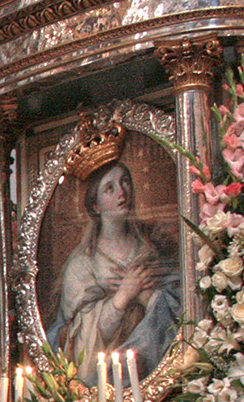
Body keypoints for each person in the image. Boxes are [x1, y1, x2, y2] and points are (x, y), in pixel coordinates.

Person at [48, 158, 181, 382]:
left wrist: (147, 296)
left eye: (125, 182)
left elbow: (182, 304)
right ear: (95, 206)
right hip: (110, 378)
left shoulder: (156, 243)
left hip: (162, 371)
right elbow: (80, 340)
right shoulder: (82, 264)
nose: (122, 192)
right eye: (110, 188)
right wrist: (123, 296)